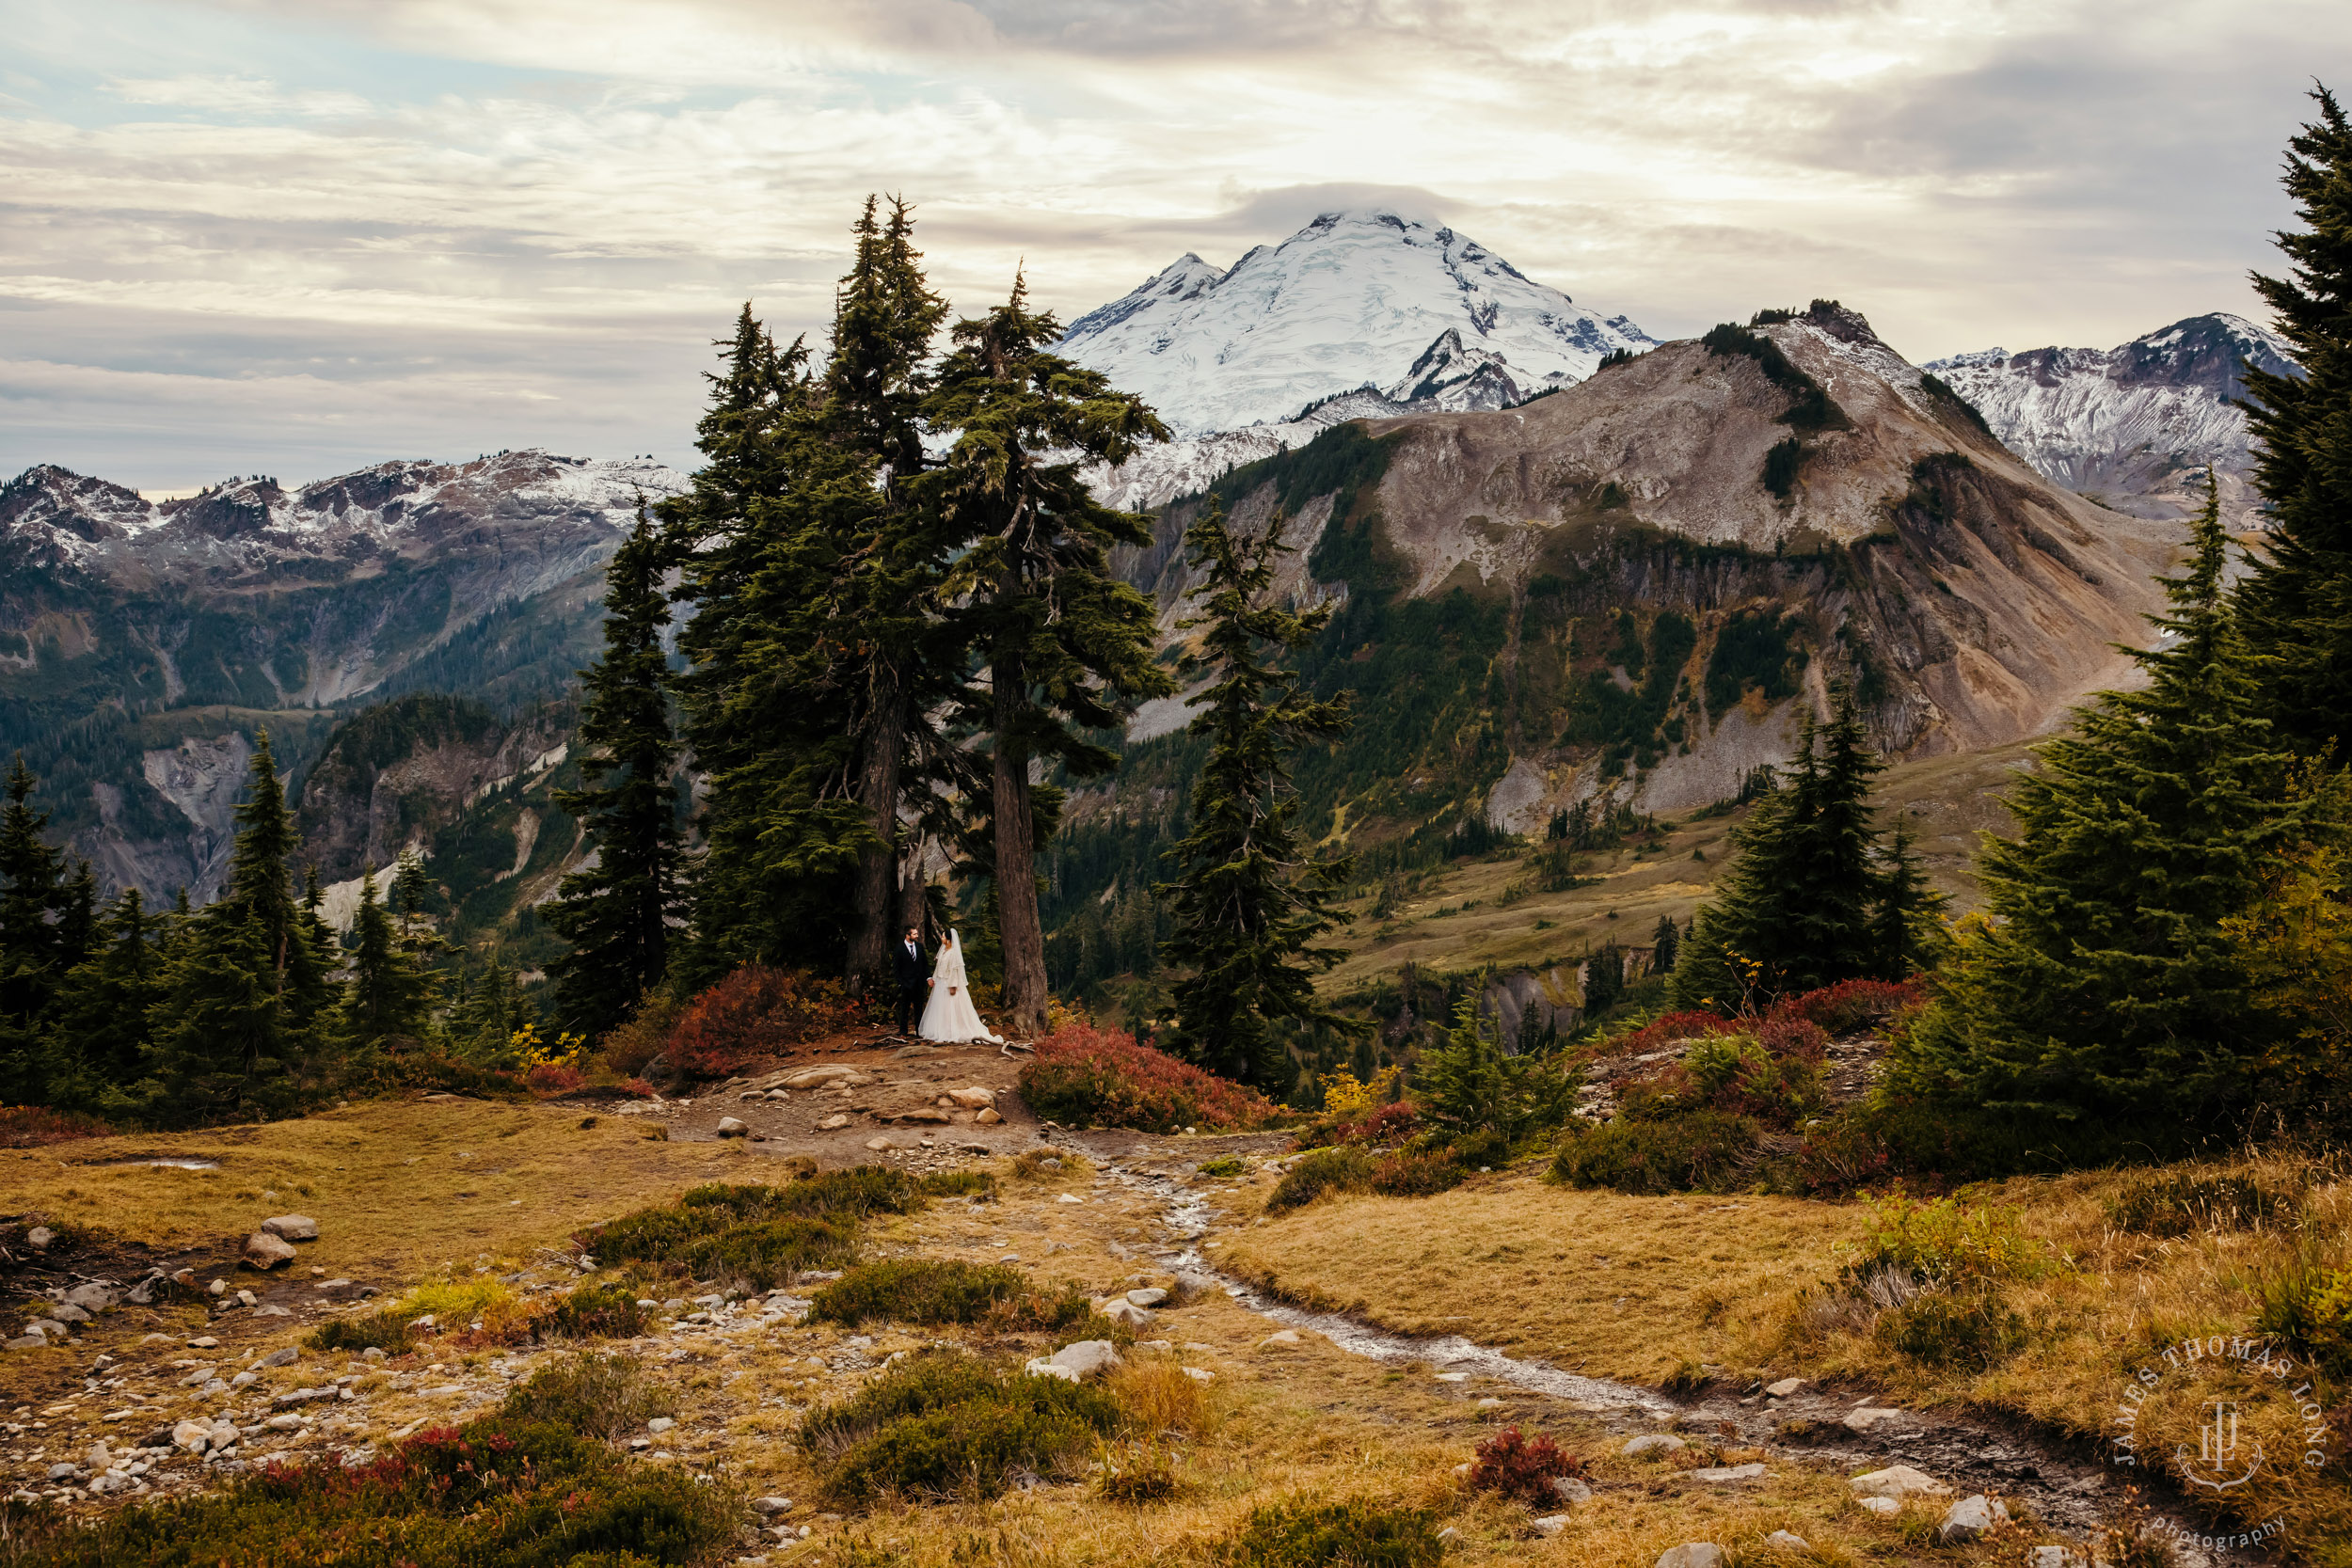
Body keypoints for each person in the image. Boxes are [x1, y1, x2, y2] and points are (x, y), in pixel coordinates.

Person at [917, 929, 1002, 1044]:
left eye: (943, 937)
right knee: (941, 1008)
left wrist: (953, 986)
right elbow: (939, 968)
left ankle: (953, 1031)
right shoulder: (943, 951)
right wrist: (934, 979)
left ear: (948, 939)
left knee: (951, 1008)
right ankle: (942, 1029)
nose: (941, 939)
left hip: (949, 983)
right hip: (941, 984)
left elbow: (955, 971)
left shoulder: (953, 953)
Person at [891, 924, 929, 1037]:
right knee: (904, 1009)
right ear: (908, 935)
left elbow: (924, 964)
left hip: (918, 984)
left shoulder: (920, 947)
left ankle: (919, 1031)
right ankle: (903, 1031)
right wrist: (901, 982)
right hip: (906, 984)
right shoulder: (899, 949)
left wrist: (927, 977)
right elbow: (896, 968)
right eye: (914, 934)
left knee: (918, 1009)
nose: (917, 935)